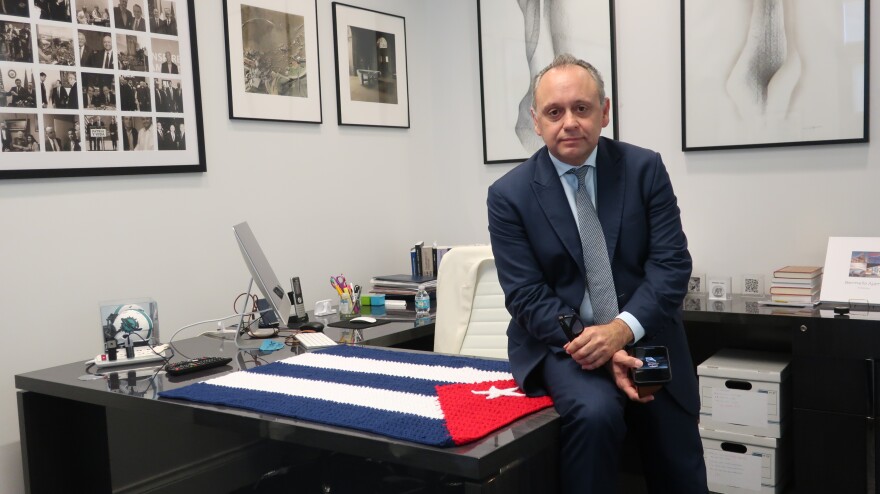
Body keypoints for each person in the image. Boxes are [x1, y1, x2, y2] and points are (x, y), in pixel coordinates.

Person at [487, 54, 707, 494]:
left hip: (645, 331)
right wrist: (598, 346)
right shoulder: (508, 195)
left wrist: (621, 332)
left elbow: (671, 265)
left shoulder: (644, 170)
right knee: (596, 414)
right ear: (536, 121)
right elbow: (527, 295)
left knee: (674, 447)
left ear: (604, 111)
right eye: (554, 112)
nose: (569, 122)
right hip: (565, 344)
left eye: (582, 108)